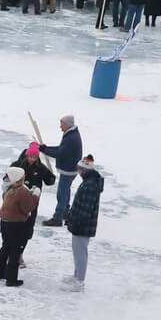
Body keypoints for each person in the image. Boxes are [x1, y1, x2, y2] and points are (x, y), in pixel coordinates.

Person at [0, 165, 35, 288]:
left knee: (5, 246)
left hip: (4, 221)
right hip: (16, 224)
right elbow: (29, 207)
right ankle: (11, 279)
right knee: (15, 250)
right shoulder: (22, 191)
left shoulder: (9, 189)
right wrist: (35, 195)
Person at [66, 156, 103, 287]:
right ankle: (77, 275)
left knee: (81, 253)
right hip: (79, 224)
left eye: (79, 169)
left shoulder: (90, 185)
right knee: (77, 252)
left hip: (82, 226)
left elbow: (85, 210)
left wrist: (75, 222)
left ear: (85, 170)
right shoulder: (88, 181)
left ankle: (80, 281)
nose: (78, 172)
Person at [47, 115, 83, 226]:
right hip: (70, 169)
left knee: (62, 194)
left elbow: (60, 154)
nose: (60, 126)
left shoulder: (72, 138)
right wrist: (46, 148)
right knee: (65, 192)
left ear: (67, 125)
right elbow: (60, 148)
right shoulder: (71, 134)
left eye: (61, 124)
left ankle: (57, 218)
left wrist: (45, 150)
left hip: (69, 170)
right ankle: (66, 214)